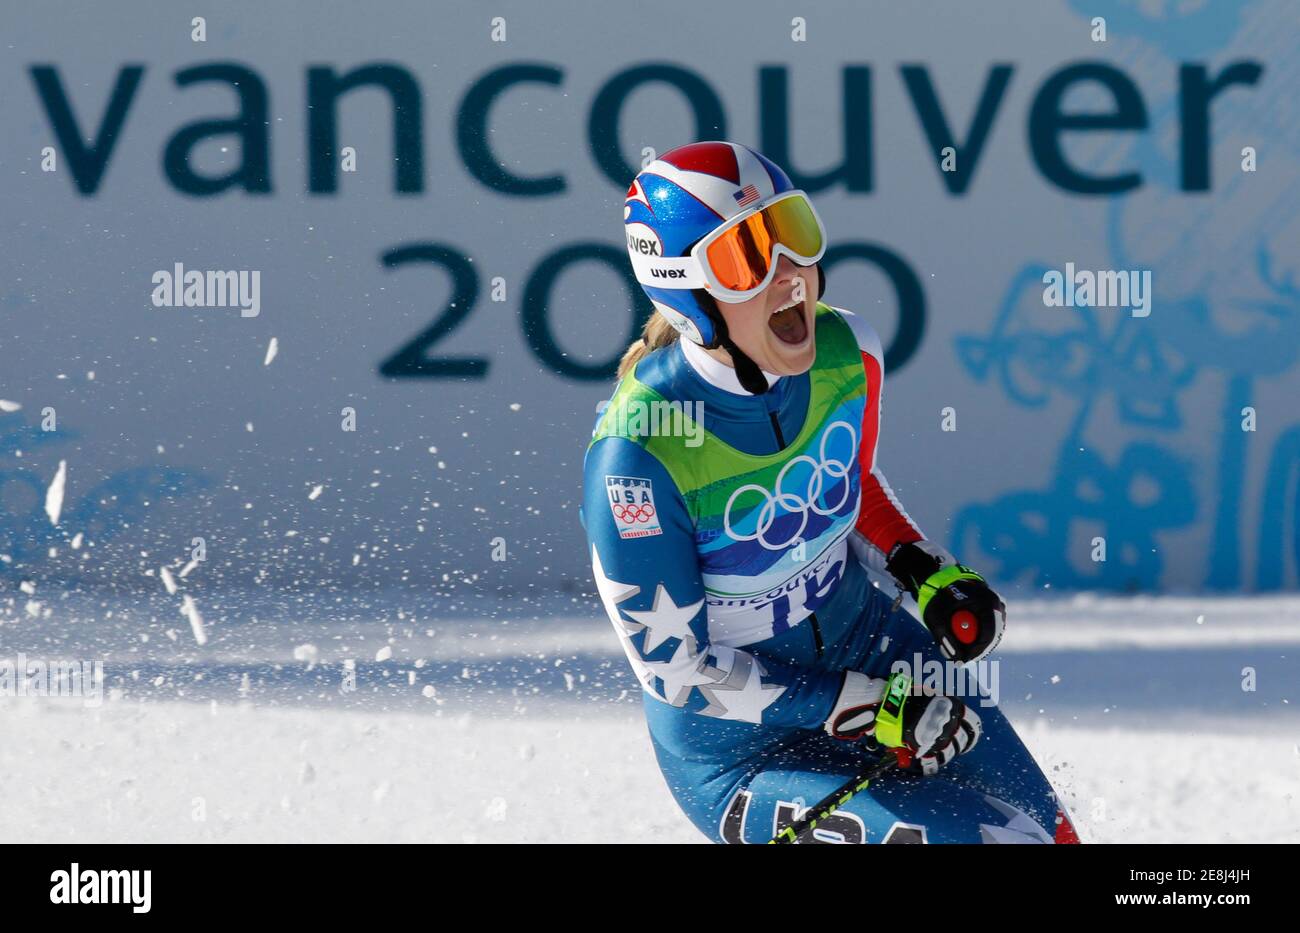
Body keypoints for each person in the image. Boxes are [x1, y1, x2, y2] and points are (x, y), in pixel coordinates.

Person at [581, 141, 1079, 844]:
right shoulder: (638, 457)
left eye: (794, 232)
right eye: (748, 256)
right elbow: (677, 671)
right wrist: (864, 708)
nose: (790, 275)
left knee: (1050, 836)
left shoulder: (851, 353)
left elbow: (853, 484)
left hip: (875, 653)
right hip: (747, 752)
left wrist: (924, 572)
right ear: (689, 294)